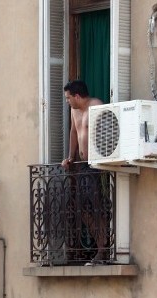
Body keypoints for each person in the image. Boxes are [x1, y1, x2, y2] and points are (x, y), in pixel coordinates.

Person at [60, 80, 110, 266]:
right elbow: (74, 133)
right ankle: (100, 244)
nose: (67, 101)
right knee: (83, 208)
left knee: (97, 207)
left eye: (68, 98)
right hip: (83, 165)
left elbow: (108, 130)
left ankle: (103, 249)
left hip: (98, 166)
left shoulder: (96, 106)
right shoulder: (75, 111)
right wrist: (70, 157)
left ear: (77, 96)